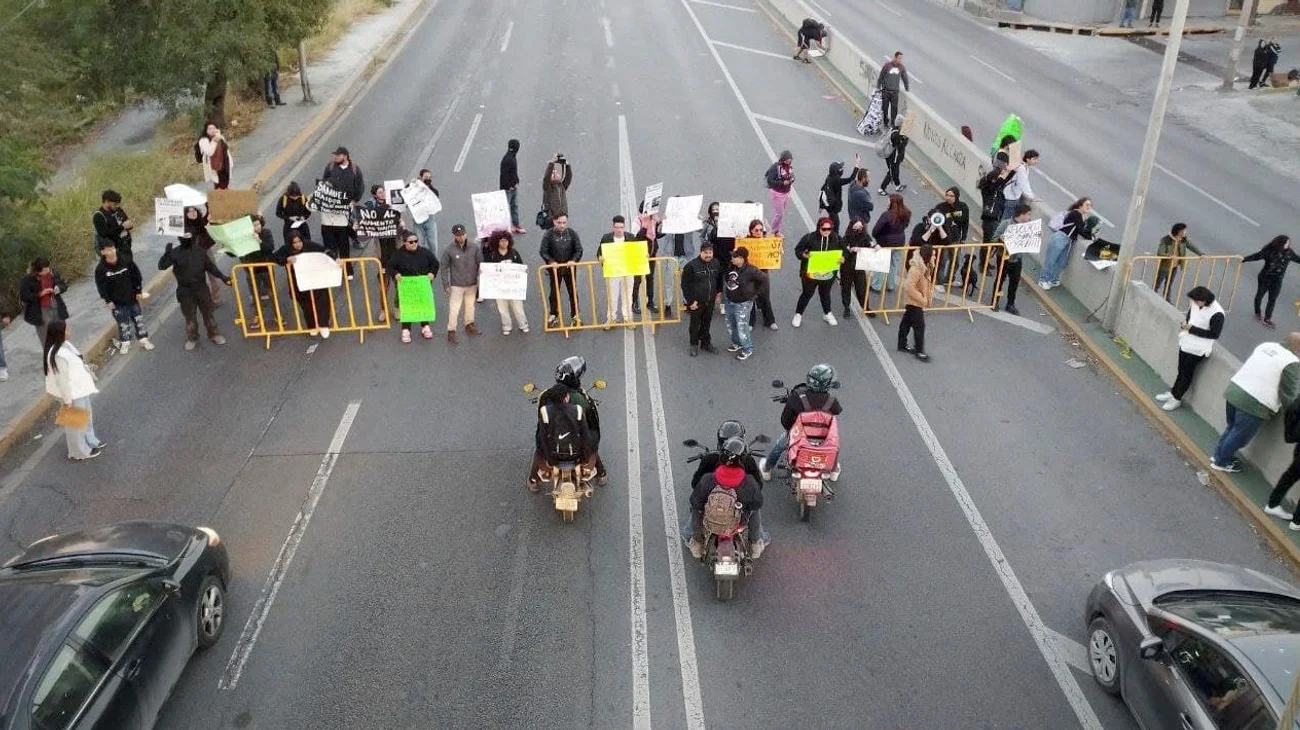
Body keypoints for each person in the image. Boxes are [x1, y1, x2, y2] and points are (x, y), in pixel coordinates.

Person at [1210, 334, 1300, 472]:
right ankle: (1221, 462)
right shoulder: (1292, 361)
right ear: (1296, 346)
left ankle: (1218, 455)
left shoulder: (1266, 345)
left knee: (1232, 427)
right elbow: (1288, 392)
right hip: (1254, 402)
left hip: (1235, 391)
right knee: (1240, 436)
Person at [528, 356, 607, 489]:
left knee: (539, 443)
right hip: (577, 451)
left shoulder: (545, 397)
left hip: (551, 450)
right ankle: (601, 473)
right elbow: (593, 427)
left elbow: (541, 429)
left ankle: (533, 479)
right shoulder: (582, 401)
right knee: (592, 437)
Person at [687, 436, 768, 559]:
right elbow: (758, 503)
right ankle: (756, 542)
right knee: (755, 511)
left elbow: (695, 502)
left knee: (695, 509)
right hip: (738, 522)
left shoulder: (708, 479)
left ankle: (696, 543)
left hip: (711, 521)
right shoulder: (749, 483)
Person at [759, 363, 842, 481]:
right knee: (833, 447)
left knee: (780, 445)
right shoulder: (831, 401)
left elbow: (785, 420)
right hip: (823, 438)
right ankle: (834, 471)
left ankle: (767, 469)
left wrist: (790, 430)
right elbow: (837, 411)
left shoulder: (797, 396)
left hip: (799, 436)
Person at [1154, 286, 1225, 412]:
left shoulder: (1217, 313)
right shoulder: (1195, 304)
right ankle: (1173, 392)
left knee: (1186, 373)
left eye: (1197, 301)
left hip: (1198, 349)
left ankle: (1177, 398)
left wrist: (1191, 329)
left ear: (1204, 300)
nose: (1194, 303)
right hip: (1186, 342)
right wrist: (1185, 324)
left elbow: (1214, 334)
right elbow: (1190, 316)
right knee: (1181, 370)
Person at [43, 321, 105, 461]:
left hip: (80, 389)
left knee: (86, 418)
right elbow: (62, 380)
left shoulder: (66, 345)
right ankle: (79, 452)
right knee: (76, 424)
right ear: (60, 333)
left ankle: (90, 440)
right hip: (72, 394)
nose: (69, 330)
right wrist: (67, 401)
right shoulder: (57, 355)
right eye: (66, 329)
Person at [160, 232, 232, 349]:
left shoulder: (200, 251)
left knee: (208, 313)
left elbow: (211, 267)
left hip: (201, 288)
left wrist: (223, 277)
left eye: (189, 236)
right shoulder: (175, 253)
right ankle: (192, 338)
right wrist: (167, 253)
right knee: (190, 317)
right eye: (184, 237)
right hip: (185, 291)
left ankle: (214, 334)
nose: (187, 239)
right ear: (179, 238)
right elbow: (162, 266)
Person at [272, 230, 332, 338]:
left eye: (299, 241)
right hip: (299, 283)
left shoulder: (309, 245)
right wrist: (286, 259)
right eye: (294, 243)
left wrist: (334, 258)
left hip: (315, 280)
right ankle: (312, 326)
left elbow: (325, 250)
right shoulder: (285, 250)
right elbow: (274, 257)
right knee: (306, 306)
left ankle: (324, 325)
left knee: (322, 302)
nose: (298, 244)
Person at [94, 243, 152, 353]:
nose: (112, 251)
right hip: (117, 303)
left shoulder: (126, 260)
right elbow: (101, 286)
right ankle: (125, 343)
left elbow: (136, 275)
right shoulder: (101, 269)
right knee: (123, 323)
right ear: (102, 252)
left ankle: (144, 340)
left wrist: (138, 290)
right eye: (108, 249)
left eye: (113, 248)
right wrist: (108, 300)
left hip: (132, 298)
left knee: (138, 320)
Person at [321, 147, 365, 279]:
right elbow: (323, 184)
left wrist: (354, 200)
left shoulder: (355, 169)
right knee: (334, 241)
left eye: (338, 156)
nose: (335, 158)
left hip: (347, 206)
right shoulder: (330, 167)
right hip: (332, 207)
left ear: (345, 156)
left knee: (348, 232)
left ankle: (348, 268)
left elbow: (360, 186)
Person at [388, 231, 440, 342]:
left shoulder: (425, 252)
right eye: (411, 242)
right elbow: (390, 267)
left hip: (422, 284)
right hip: (407, 286)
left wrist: (432, 273)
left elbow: (435, 264)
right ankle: (406, 329)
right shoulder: (397, 254)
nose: (414, 244)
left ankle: (425, 326)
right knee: (407, 306)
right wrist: (395, 274)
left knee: (423, 304)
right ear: (404, 243)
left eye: (416, 241)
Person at [793, 217, 844, 327]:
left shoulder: (836, 238)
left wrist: (843, 258)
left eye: (829, 229)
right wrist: (804, 255)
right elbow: (798, 250)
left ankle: (827, 313)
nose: (826, 231)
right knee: (807, 294)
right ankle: (798, 314)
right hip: (810, 274)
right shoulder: (809, 238)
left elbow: (845, 251)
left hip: (828, 273)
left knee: (825, 294)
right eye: (824, 229)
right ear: (818, 228)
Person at [1038, 197, 1097, 290]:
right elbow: (1080, 230)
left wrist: (1091, 235)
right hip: (1060, 238)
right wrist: (1091, 237)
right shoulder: (1076, 213)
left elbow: (1080, 231)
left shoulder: (1081, 216)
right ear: (1080, 205)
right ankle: (1043, 280)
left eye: (1090, 205)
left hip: (1067, 241)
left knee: (1061, 262)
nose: (1089, 207)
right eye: (1087, 204)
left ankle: (1052, 279)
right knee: (1051, 260)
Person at [1242, 234, 1300, 328]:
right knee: (1259, 296)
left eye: (1288, 243)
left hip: (1277, 281)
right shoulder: (1269, 251)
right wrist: (1244, 259)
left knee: (1272, 300)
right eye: (1286, 243)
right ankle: (1257, 312)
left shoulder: (1289, 252)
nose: (1288, 245)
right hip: (1265, 278)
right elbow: (1256, 256)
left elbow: (1298, 259)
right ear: (1280, 243)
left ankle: (1267, 319)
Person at [691, 421, 764, 490]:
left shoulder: (709, 458)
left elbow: (695, 484)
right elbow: (758, 485)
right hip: (741, 496)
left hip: (712, 496)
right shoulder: (748, 460)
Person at [723, 247, 767, 361]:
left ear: (742, 258)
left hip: (742, 303)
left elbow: (764, 279)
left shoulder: (751, 270)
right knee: (731, 324)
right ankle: (736, 343)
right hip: (730, 300)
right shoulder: (731, 266)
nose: (732, 258)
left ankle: (747, 348)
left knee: (742, 327)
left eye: (734, 256)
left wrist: (754, 294)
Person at [539, 214, 583, 327]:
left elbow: (579, 249)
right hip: (555, 269)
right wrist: (551, 261)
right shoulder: (548, 235)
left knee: (573, 291)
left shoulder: (572, 233)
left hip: (570, 269)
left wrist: (574, 260)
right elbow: (543, 251)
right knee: (554, 292)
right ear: (554, 222)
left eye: (564, 222)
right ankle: (554, 314)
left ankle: (575, 315)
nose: (562, 225)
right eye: (559, 223)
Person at [442, 223, 483, 344]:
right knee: (454, 308)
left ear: (466, 233)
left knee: (470, 306)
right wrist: (446, 284)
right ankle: (451, 331)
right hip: (457, 285)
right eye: (458, 235)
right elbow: (444, 267)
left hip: (471, 283)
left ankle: (469, 324)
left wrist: (482, 276)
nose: (461, 237)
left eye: (463, 234)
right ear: (454, 236)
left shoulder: (474, 247)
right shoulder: (449, 250)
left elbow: (481, 262)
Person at [483, 230, 529, 335]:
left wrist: (523, 272)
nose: (504, 243)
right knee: (502, 309)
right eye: (502, 241)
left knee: (518, 308)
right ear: (497, 242)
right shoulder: (492, 255)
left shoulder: (514, 253)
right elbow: (488, 269)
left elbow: (521, 266)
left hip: (513, 286)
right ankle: (506, 326)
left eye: (506, 241)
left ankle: (523, 324)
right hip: (499, 288)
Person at [990, 204, 1034, 315]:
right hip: (1004, 257)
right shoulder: (1006, 224)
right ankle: (994, 301)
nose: (1030, 217)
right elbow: (994, 239)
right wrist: (1001, 239)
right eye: (1028, 214)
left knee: (1014, 282)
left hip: (1017, 258)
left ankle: (1010, 304)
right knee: (1000, 280)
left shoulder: (1027, 227)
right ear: (1022, 214)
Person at [681, 241, 722, 356]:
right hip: (696, 302)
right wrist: (690, 302)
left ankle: (705, 343)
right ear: (701, 252)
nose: (708, 255)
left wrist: (718, 293)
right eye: (706, 253)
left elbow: (719, 279)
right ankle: (693, 345)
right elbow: (685, 285)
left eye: (710, 252)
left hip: (710, 300)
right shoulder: (691, 266)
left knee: (707, 322)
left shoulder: (716, 263)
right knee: (695, 324)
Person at [19, 258, 69, 348]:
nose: (48, 271)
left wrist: (58, 288)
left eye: (48, 268)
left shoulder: (53, 274)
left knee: (62, 334)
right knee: (47, 338)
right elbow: (24, 296)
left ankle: (65, 354)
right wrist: (40, 294)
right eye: (45, 270)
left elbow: (64, 285)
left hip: (56, 306)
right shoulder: (28, 279)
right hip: (41, 310)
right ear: (38, 271)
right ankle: (51, 358)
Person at [899, 244, 935, 361]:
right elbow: (909, 286)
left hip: (914, 301)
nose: (934, 257)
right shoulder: (916, 269)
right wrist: (922, 298)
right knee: (920, 326)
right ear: (927, 256)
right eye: (933, 255)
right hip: (915, 302)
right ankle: (919, 351)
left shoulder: (925, 266)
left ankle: (902, 344)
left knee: (906, 322)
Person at [599, 215, 636, 327]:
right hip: (613, 271)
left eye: (621, 227)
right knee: (612, 296)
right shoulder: (606, 238)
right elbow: (599, 252)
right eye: (617, 227)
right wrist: (600, 258)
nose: (619, 230)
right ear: (613, 227)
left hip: (628, 271)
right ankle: (611, 319)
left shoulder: (631, 237)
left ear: (624, 227)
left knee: (628, 296)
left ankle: (628, 319)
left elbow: (636, 252)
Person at [871, 193, 911, 294]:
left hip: (885, 243)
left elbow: (876, 230)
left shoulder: (886, 215)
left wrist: (878, 238)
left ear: (892, 202)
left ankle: (877, 286)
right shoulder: (906, 213)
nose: (887, 202)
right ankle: (891, 285)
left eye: (888, 200)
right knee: (894, 265)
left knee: (880, 264)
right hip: (900, 243)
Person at [743, 218, 778, 331]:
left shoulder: (767, 241)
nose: (758, 232)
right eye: (756, 230)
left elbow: (774, 251)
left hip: (763, 273)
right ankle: (751, 322)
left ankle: (770, 321)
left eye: (760, 230)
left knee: (765, 297)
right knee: (751, 298)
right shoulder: (745, 242)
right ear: (751, 231)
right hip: (750, 274)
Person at [632, 201, 665, 316]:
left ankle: (650, 301)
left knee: (650, 278)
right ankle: (634, 302)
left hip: (651, 253)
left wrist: (663, 224)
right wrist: (645, 226)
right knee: (638, 280)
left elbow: (656, 235)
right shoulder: (638, 221)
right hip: (640, 254)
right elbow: (635, 237)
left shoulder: (653, 221)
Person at [840, 218, 876, 318]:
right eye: (856, 227)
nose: (859, 230)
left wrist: (876, 246)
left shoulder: (865, 236)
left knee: (862, 288)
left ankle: (865, 307)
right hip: (847, 267)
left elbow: (871, 244)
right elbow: (844, 250)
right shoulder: (846, 237)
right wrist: (851, 250)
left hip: (859, 267)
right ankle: (846, 307)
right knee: (846, 287)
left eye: (860, 227)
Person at [819, 154, 861, 234]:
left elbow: (823, 189)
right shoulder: (837, 181)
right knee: (836, 225)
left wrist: (821, 206)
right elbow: (851, 178)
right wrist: (857, 165)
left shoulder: (829, 178)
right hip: (833, 208)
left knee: (831, 221)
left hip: (829, 206)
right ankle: (833, 240)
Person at [1000, 149, 1042, 224]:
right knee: (1006, 219)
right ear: (1028, 159)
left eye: (1037, 159)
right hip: (1011, 197)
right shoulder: (1021, 168)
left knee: (1007, 218)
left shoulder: (1024, 167)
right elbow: (1023, 184)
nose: (1036, 161)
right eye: (1034, 159)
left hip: (1013, 195)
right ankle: (998, 234)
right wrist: (1032, 196)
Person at [407, 169, 441, 254]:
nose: (428, 179)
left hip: (429, 220)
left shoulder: (433, 191)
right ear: (420, 177)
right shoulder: (414, 188)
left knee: (433, 244)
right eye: (426, 177)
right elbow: (405, 193)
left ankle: (433, 264)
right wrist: (412, 184)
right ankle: (421, 264)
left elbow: (435, 199)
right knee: (419, 245)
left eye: (430, 177)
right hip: (418, 221)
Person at [93, 189, 134, 258]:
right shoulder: (99, 215)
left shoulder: (118, 210)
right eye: (114, 204)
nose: (117, 206)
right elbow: (105, 233)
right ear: (107, 202)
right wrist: (123, 227)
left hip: (125, 246)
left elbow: (126, 221)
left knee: (129, 267)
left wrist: (130, 225)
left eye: (117, 204)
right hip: (112, 252)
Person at [194, 122, 233, 190]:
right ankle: (220, 199)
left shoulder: (220, 137)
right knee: (219, 185)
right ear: (206, 130)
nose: (212, 130)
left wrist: (231, 163)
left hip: (225, 165)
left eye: (214, 128)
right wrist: (214, 140)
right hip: (214, 167)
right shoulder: (203, 140)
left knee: (225, 185)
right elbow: (209, 152)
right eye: (209, 129)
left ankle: (224, 198)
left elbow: (226, 149)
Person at [765, 150, 795, 235]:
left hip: (786, 193)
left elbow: (792, 175)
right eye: (788, 160)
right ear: (783, 159)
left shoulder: (788, 167)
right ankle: (773, 230)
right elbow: (770, 181)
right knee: (779, 214)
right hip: (777, 194)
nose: (789, 161)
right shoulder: (775, 167)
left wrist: (792, 179)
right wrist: (782, 183)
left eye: (790, 160)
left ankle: (777, 230)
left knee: (780, 213)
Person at [876, 51, 910, 127]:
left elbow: (905, 78)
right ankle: (885, 121)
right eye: (899, 58)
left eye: (901, 58)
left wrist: (907, 87)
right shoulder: (887, 65)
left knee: (894, 109)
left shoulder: (901, 67)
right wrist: (878, 86)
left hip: (895, 93)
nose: (900, 60)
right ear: (895, 57)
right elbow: (881, 76)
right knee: (885, 108)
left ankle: (892, 123)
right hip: (886, 91)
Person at [878, 115, 909, 196]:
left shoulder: (892, 129)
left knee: (895, 171)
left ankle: (898, 185)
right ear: (900, 124)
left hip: (891, 155)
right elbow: (900, 145)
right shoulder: (896, 134)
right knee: (892, 172)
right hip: (893, 156)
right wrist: (905, 139)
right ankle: (882, 188)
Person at [274, 181, 312, 246]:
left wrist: (304, 217)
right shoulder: (283, 199)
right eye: (292, 197)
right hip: (289, 227)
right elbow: (278, 213)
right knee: (290, 245)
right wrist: (289, 218)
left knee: (307, 244)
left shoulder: (303, 198)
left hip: (302, 226)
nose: (295, 198)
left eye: (296, 196)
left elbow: (308, 211)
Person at [500, 140, 525, 234]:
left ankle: (515, 225)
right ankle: (505, 228)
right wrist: (508, 186)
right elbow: (504, 175)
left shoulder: (511, 156)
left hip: (512, 187)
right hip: (508, 189)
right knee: (505, 208)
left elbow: (513, 172)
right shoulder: (508, 159)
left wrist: (516, 181)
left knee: (514, 206)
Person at [542, 155, 572, 222]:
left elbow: (568, 177)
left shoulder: (561, 186)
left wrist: (567, 165)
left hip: (562, 218)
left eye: (556, 172)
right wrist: (551, 163)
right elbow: (546, 178)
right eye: (552, 173)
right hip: (552, 219)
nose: (555, 174)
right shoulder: (547, 187)